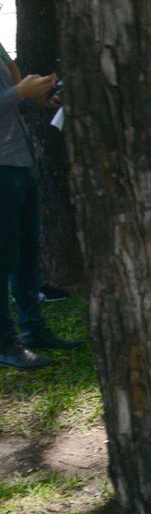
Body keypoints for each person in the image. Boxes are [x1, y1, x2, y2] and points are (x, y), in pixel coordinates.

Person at [0, 45, 76, 369]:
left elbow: (11, 104)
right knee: (3, 259)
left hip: (19, 162)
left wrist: (35, 98)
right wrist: (19, 92)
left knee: (27, 253)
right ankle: (5, 344)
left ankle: (33, 330)